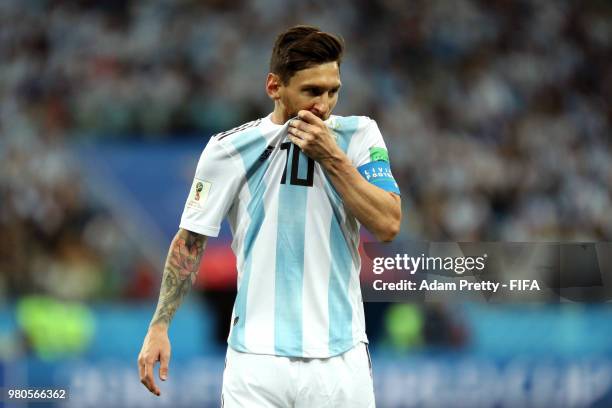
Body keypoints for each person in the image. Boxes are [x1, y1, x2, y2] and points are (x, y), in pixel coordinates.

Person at [138, 25, 401, 407]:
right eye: (312, 91)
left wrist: (331, 157)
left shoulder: (359, 136)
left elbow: (389, 224)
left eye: (333, 91)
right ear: (274, 87)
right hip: (256, 360)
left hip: (340, 357)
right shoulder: (228, 150)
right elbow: (190, 241)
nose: (324, 105)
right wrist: (159, 326)